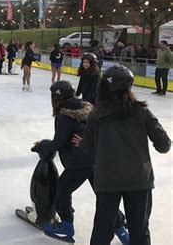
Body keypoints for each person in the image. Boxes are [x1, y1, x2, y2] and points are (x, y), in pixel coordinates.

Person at [74, 65, 171, 245]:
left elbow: (87, 149)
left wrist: (85, 144)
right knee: (139, 231)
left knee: (102, 230)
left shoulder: (96, 115)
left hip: (108, 180)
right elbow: (164, 144)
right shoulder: (141, 111)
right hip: (139, 179)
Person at [34, 81, 129, 243]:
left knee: (61, 192)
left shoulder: (64, 115)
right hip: (94, 159)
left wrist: (41, 145)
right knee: (103, 196)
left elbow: (58, 143)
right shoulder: (86, 108)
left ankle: (66, 227)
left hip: (78, 162)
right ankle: (122, 230)